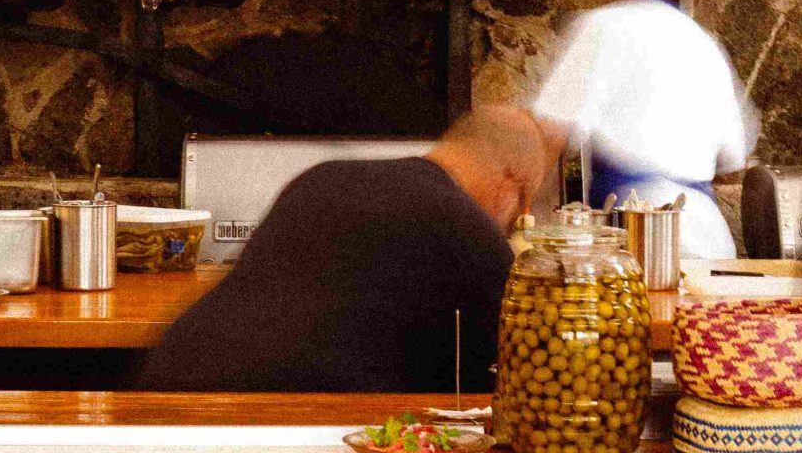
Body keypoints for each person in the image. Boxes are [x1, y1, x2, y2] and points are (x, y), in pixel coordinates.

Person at [135, 107, 560, 392]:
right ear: (511, 180)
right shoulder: (470, 234)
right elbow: (526, 375)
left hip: (169, 388)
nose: (518, 214)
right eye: (525, 199)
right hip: (265, 435)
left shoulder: (325, 178)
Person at [530, 0, 762, 267]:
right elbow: (734, 155)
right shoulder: (702, 42)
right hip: (707, 237)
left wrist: (527, 220)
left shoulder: (601, 26)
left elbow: (549, 127)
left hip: (630, 236)